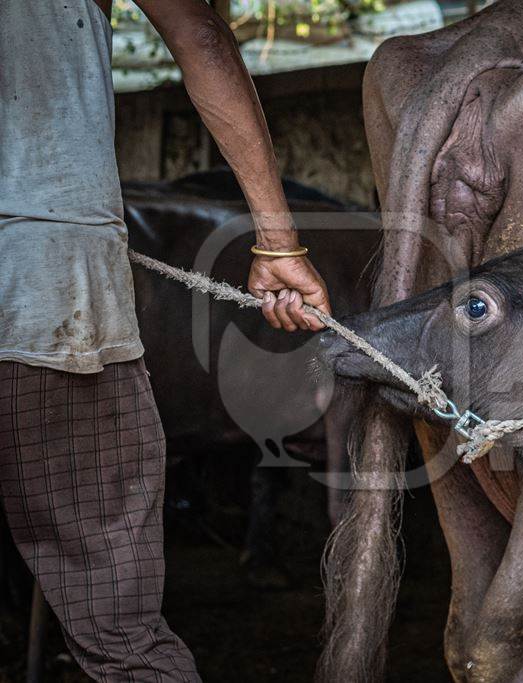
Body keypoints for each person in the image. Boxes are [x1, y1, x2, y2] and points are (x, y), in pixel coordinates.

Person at [0, 1, 330, 678]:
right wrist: (276, 240)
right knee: (122, 637)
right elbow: (200, 33)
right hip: (51, 283)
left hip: (50, 276)